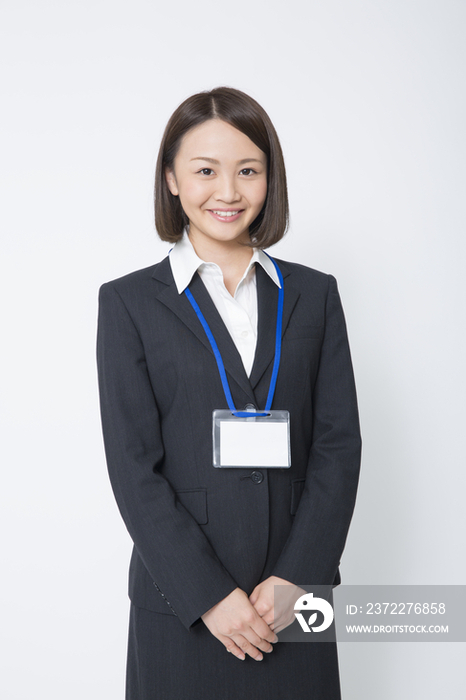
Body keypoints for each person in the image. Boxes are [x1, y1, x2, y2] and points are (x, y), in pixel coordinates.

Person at [96, 86, 362, 700]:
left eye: (248, 170)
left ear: (271, 178)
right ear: (171, 178)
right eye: (205, 171)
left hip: (291, 604)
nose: (229, 191)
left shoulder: (314, 295)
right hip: (183, 607)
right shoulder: (130, 303)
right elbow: (133, 469)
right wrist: (209, 595)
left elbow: (337, 448)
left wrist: (299, 577)